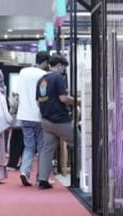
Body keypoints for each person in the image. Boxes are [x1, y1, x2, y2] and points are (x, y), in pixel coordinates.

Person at [36, 54, 79, 189]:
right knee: (79, 144)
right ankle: (78, 176)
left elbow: (38, 101)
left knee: (47, 149)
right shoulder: (58, 78)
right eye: (64, 67)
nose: (64, 70)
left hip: (46, 121)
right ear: (59, 65)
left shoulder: (42, 79)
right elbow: (63, 98)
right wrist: (79, 101)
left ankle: (43, 180)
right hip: (60, 120)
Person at [16, 51, 49, 186]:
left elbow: (17, 93)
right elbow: (44, 96)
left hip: (24, 115)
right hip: (39, 116)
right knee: (42, 147)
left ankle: (24, 171)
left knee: (29, 146)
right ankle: (41, 177)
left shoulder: (23, 72)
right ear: (46, 62)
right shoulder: (45, 75)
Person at [6, 92, 24, 171]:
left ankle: (12, 164)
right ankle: (24, 164)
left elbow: (14, 107)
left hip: (19, 121)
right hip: (28, 119)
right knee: (25, 144)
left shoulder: (18, 92)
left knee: (15, 142)